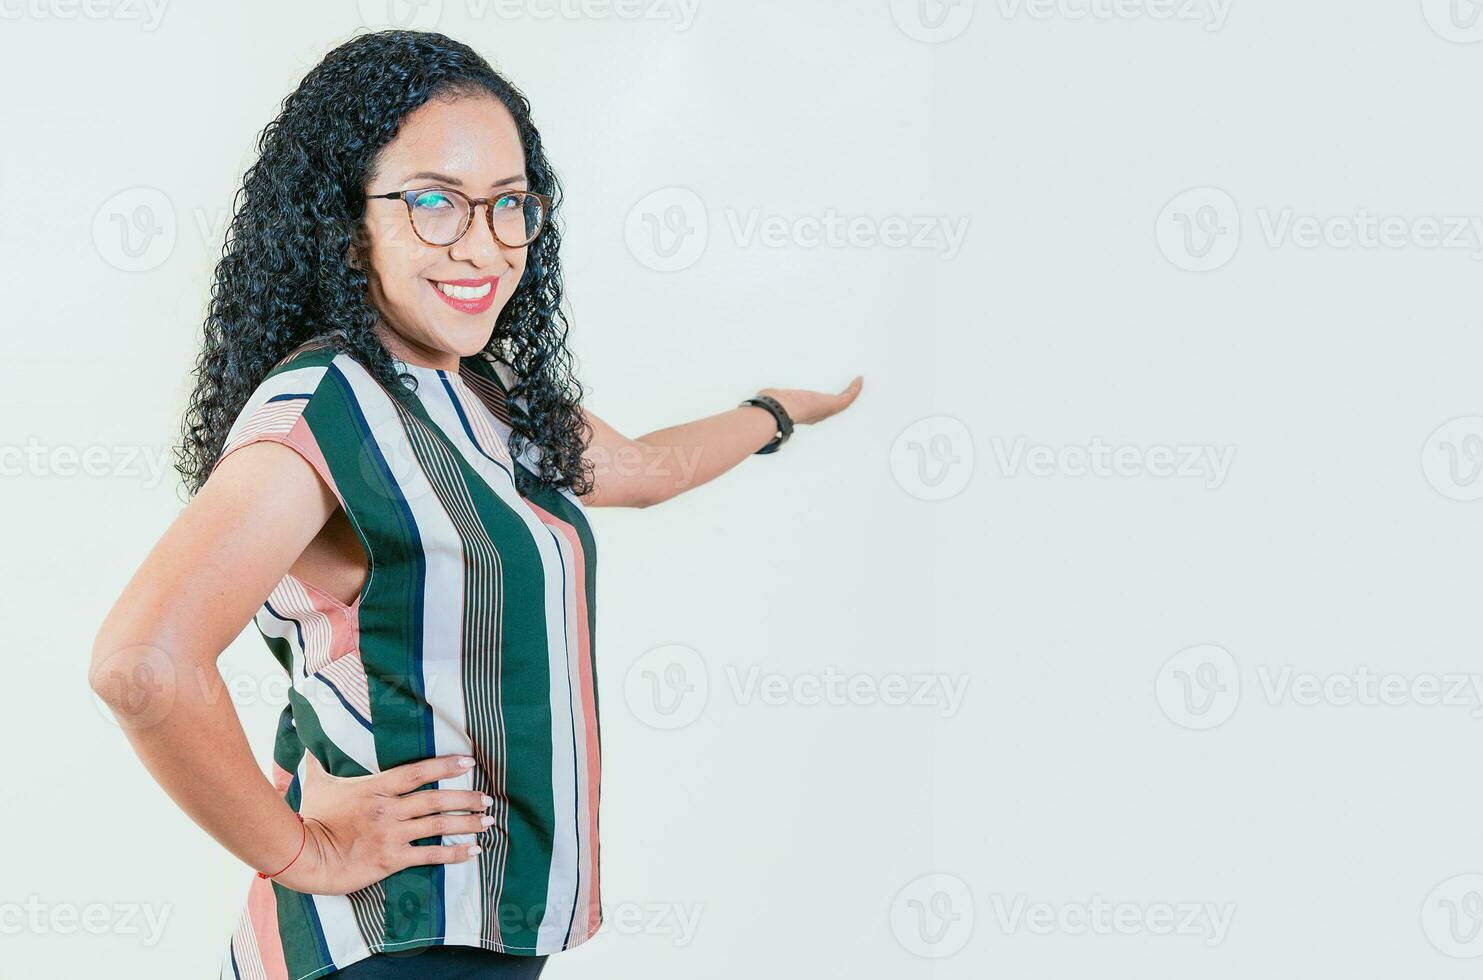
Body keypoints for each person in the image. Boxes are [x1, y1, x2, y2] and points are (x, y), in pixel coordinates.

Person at [88, 28, 862, 980]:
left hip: (479, 937)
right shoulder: (324, 408)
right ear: (344, 219)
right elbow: (142, 665)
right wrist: (303, 851)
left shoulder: (479, 393)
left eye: (508, 206)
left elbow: (644, 470)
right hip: (390, 943)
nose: (486, 246)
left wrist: (776, 412)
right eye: (434, 204)